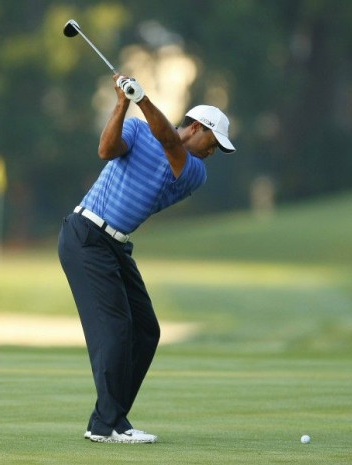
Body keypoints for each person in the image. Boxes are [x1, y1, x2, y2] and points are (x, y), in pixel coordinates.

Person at [58, 74, 236, 444]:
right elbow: (106, 150)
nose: (213, 151)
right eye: (214, 141)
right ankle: (105, 426)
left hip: (115, 246)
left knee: (146, 330)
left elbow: (170, 141)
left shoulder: (193, 171)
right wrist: (123, 103)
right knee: (117, 329)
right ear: (198, 127)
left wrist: (142, 98)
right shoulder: (138, 130)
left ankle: (111, 418)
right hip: (86, 235)